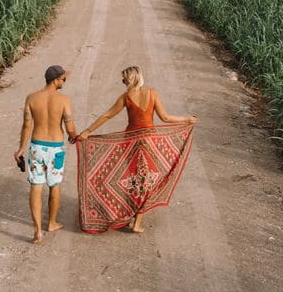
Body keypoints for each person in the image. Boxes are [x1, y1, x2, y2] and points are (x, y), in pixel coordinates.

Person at [76, 65, 197, 233]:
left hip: (130, 141)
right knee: (146, 179)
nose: (122, 81)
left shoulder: (126, 97)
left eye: (124, 79)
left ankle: (130, 216)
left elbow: (107, 115)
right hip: (148, 141)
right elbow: (165, 117)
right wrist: (187, 119)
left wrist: (87, 131)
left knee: (132, 178)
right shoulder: (152, 94)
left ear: (130, 79)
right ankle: (136, 222)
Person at [15, 65, 77, 244]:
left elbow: (27, 125)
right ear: (56, 80)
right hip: (56, 149)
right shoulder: (64, 100)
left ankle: (38, 231)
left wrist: (20, 149)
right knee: (54, 185)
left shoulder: (32, 98)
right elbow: (70, 126)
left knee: (36, 186)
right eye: (63, 79)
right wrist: (74, 137)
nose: (64, 82)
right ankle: (51, 222)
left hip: (37, 147)